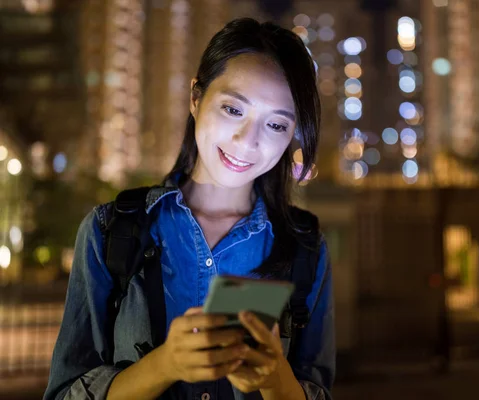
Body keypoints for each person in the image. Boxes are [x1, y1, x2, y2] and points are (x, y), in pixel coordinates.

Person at [44, 18, 335, 400]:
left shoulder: (305, 247)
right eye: (233, 109)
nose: (247, 142)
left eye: (277, 125)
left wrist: (274, 378)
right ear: (196, 98)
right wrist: (164, 366)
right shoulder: (111, 231)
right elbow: (65, 394)